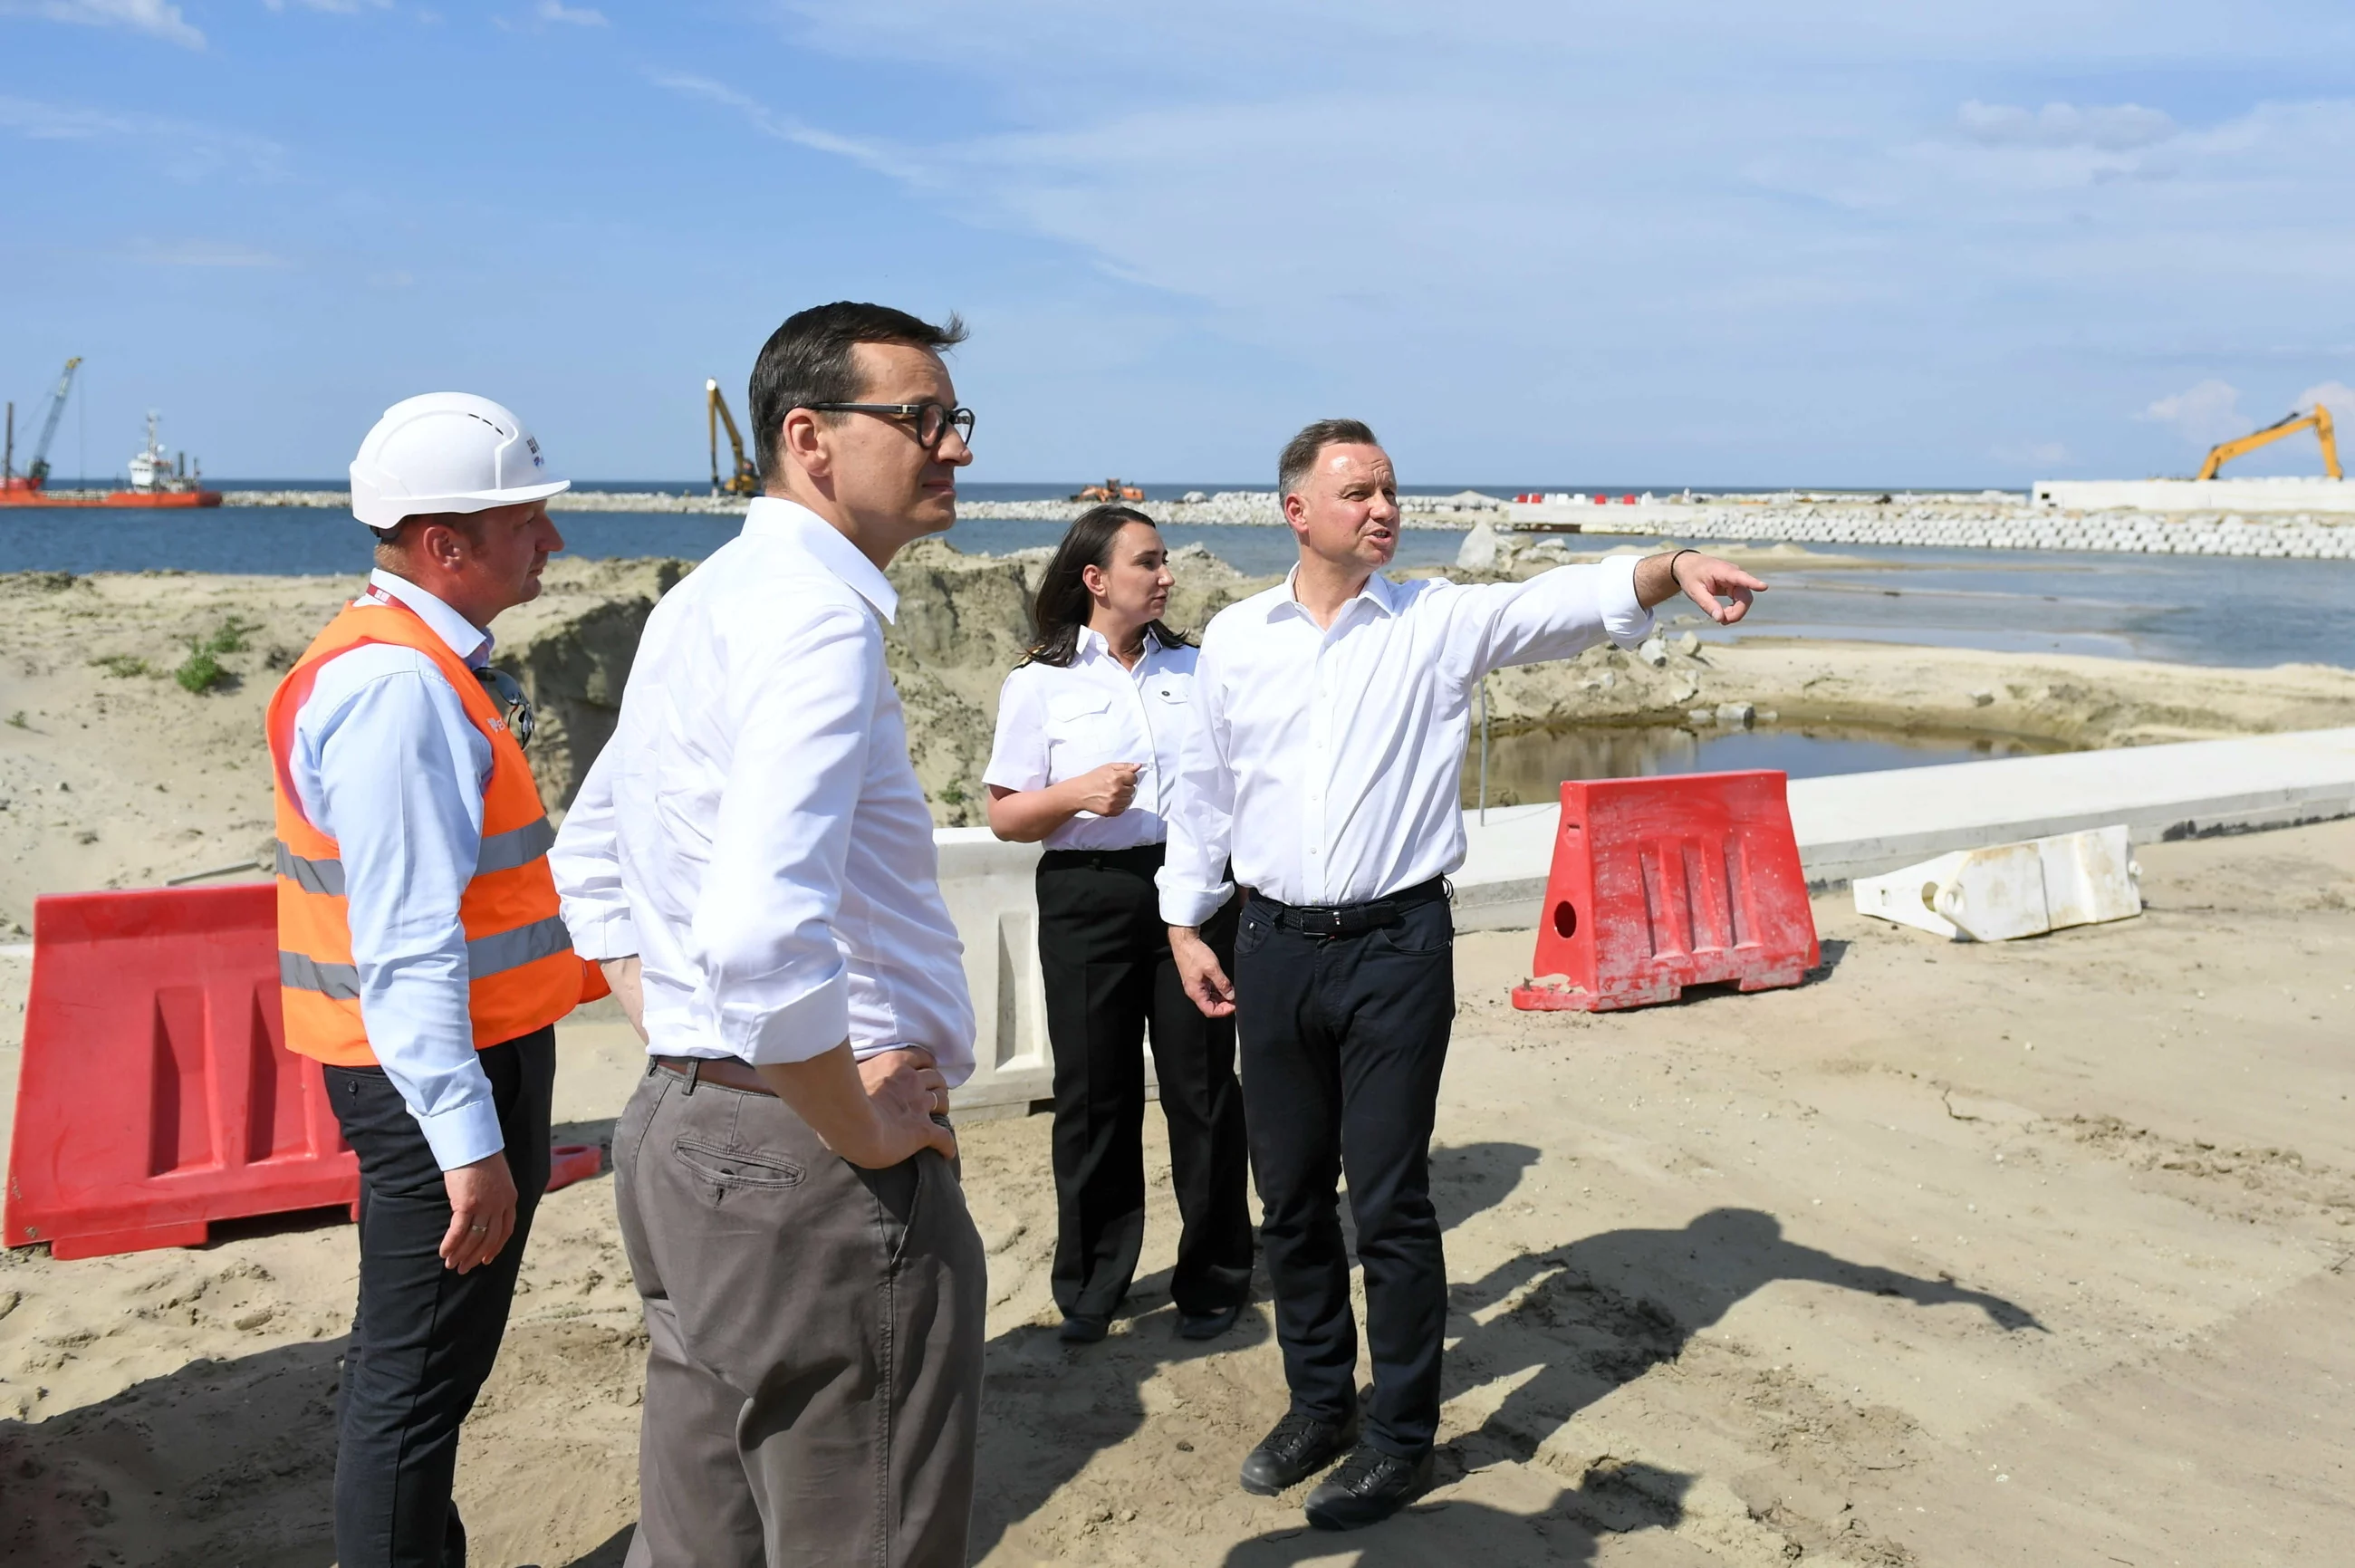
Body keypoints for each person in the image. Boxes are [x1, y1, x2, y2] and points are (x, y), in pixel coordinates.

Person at [1158, 418, 1767, 1532]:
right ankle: (1317, 1404)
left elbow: (1567, 600)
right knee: (1289, 1197)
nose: (1384, 508)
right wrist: (1183, 922)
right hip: (1272, 943)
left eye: (1391, 490)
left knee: (1387, 1201)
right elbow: (1204, 789)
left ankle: (1398, 1438)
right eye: (1358, 492)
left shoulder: (1437, 619)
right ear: (1297, 512)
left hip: (1397, 948)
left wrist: (1669, 569)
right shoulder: (1238, 640)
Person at [550, 301, 985, 1568]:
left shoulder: (710, 598)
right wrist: (850, 1120)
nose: (954, 446)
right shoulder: (813, 615)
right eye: (922, 420)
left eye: (956, 419)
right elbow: (757, 932)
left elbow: (589, 854)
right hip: (805, 1164)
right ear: (810, 437)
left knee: (700, 1534)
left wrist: (683, 1029)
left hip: (686, 1126)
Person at [267, 392, 609, 1568]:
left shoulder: (420, 668)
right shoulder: (400, 689)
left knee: (422, 1373)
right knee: (413, 1386)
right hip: (434, 1081)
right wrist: (469, 1143)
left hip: (452, 1060)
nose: (552, 543)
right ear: (444, 543)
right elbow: (405, 942)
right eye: (529, 521)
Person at [982, 505, 1254, 1346]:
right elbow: (1006, 815)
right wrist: (1077, 794)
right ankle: (1094, 1283)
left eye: (1165, 560)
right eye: (1149, 562)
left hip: (1194, 894)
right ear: (1096, 579)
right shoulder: (1039, 681)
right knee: (1093, 1096)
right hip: (1087, 896)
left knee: (1203, 1091)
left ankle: (1214, 1277)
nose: (1166, 575)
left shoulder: (1200, 669)